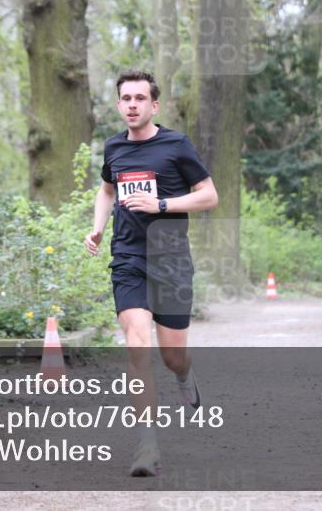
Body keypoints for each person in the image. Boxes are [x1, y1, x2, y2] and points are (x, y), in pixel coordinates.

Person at [84, 70, 218, 477]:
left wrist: (160, 205)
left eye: (140, 98)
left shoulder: (176, 145)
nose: (132, 105)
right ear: (118, 103)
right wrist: (98, 226)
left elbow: (209, 196)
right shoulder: (113, 148)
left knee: (171, 355)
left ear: (153, 105)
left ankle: (185, 374)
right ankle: (147, 445)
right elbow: (107, 189)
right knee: (137, 344)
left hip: (171, 260)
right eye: (126, 98)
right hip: (129, 259)